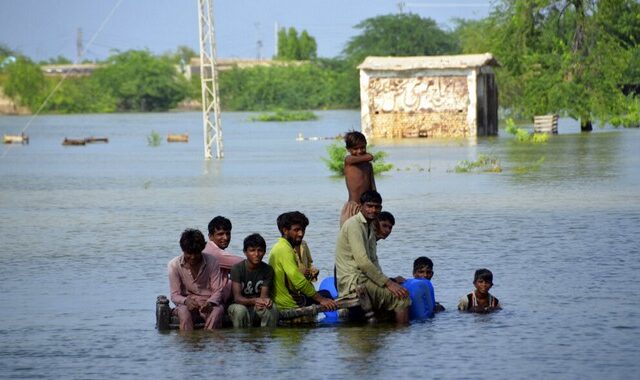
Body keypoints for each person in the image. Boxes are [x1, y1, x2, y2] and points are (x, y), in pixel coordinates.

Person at [335, 190, 411, 324]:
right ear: (361, 207)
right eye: (369, 206)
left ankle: (382, 333)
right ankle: (403, 339)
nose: (373, 210)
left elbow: (373, 260)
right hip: (353, 280)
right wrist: (388, 283)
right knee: (401, 299)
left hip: (363, 277)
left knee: (398, 293)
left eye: (377, 207)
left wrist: (388, 282)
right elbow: (363, 262)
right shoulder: (354, 225)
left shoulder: (369, 225)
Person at [269, 211, 337, 312]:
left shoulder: (279, 246)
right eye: (296, 230)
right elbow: (299, 282)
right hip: (289, 304)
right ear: (285, 230)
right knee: (326, 295)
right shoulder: (284, 249)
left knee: (323, 293)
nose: (301, 234)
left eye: (303, 230)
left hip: (286, 300)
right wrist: (321, 299)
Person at [167, 228, 225, 330]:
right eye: (189, 253)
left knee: (217, 311)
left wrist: (210, 303)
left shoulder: (212, 262)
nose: (193, 257)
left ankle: (210, 339)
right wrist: (186, 301)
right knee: (184, 312)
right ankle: (188, 341)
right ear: (183, 250)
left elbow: (218, 290)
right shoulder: (174, 265)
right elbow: (175, 295)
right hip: (186, 305)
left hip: (208, 303)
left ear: (202, 250)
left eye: (196, 253)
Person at [227, 233, 278, 328]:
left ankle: (267, 339)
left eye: (260, 250)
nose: (256, 254)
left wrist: (266, 302)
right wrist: (255, 301)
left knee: (271, 308)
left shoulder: (268, 270)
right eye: (252, 250)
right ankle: (241, 339)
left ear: (264, 252)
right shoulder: (237, 268)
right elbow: (237, 298)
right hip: (237, 305)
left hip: (256, 306)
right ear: (245, 252)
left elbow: (264, 296)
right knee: (240, 311)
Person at [202, 216, 243, 306]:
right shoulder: (213, 252)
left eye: (228, 234)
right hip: (211, 297)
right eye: (220, 234)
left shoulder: (207, 247)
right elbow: (245, 263)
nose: (225, 237)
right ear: (210, 236)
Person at [340, 131, 376, 226]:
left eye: (362, 148)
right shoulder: (349, 160)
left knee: (367, 237)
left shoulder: (368, 166)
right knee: (350, 236)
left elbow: (373, 186)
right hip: (353, 207)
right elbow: (369, 157)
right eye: (355, 149)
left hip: (366, 207)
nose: (359, 151)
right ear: (348, 149)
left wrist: (375, 205)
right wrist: (370, 155)